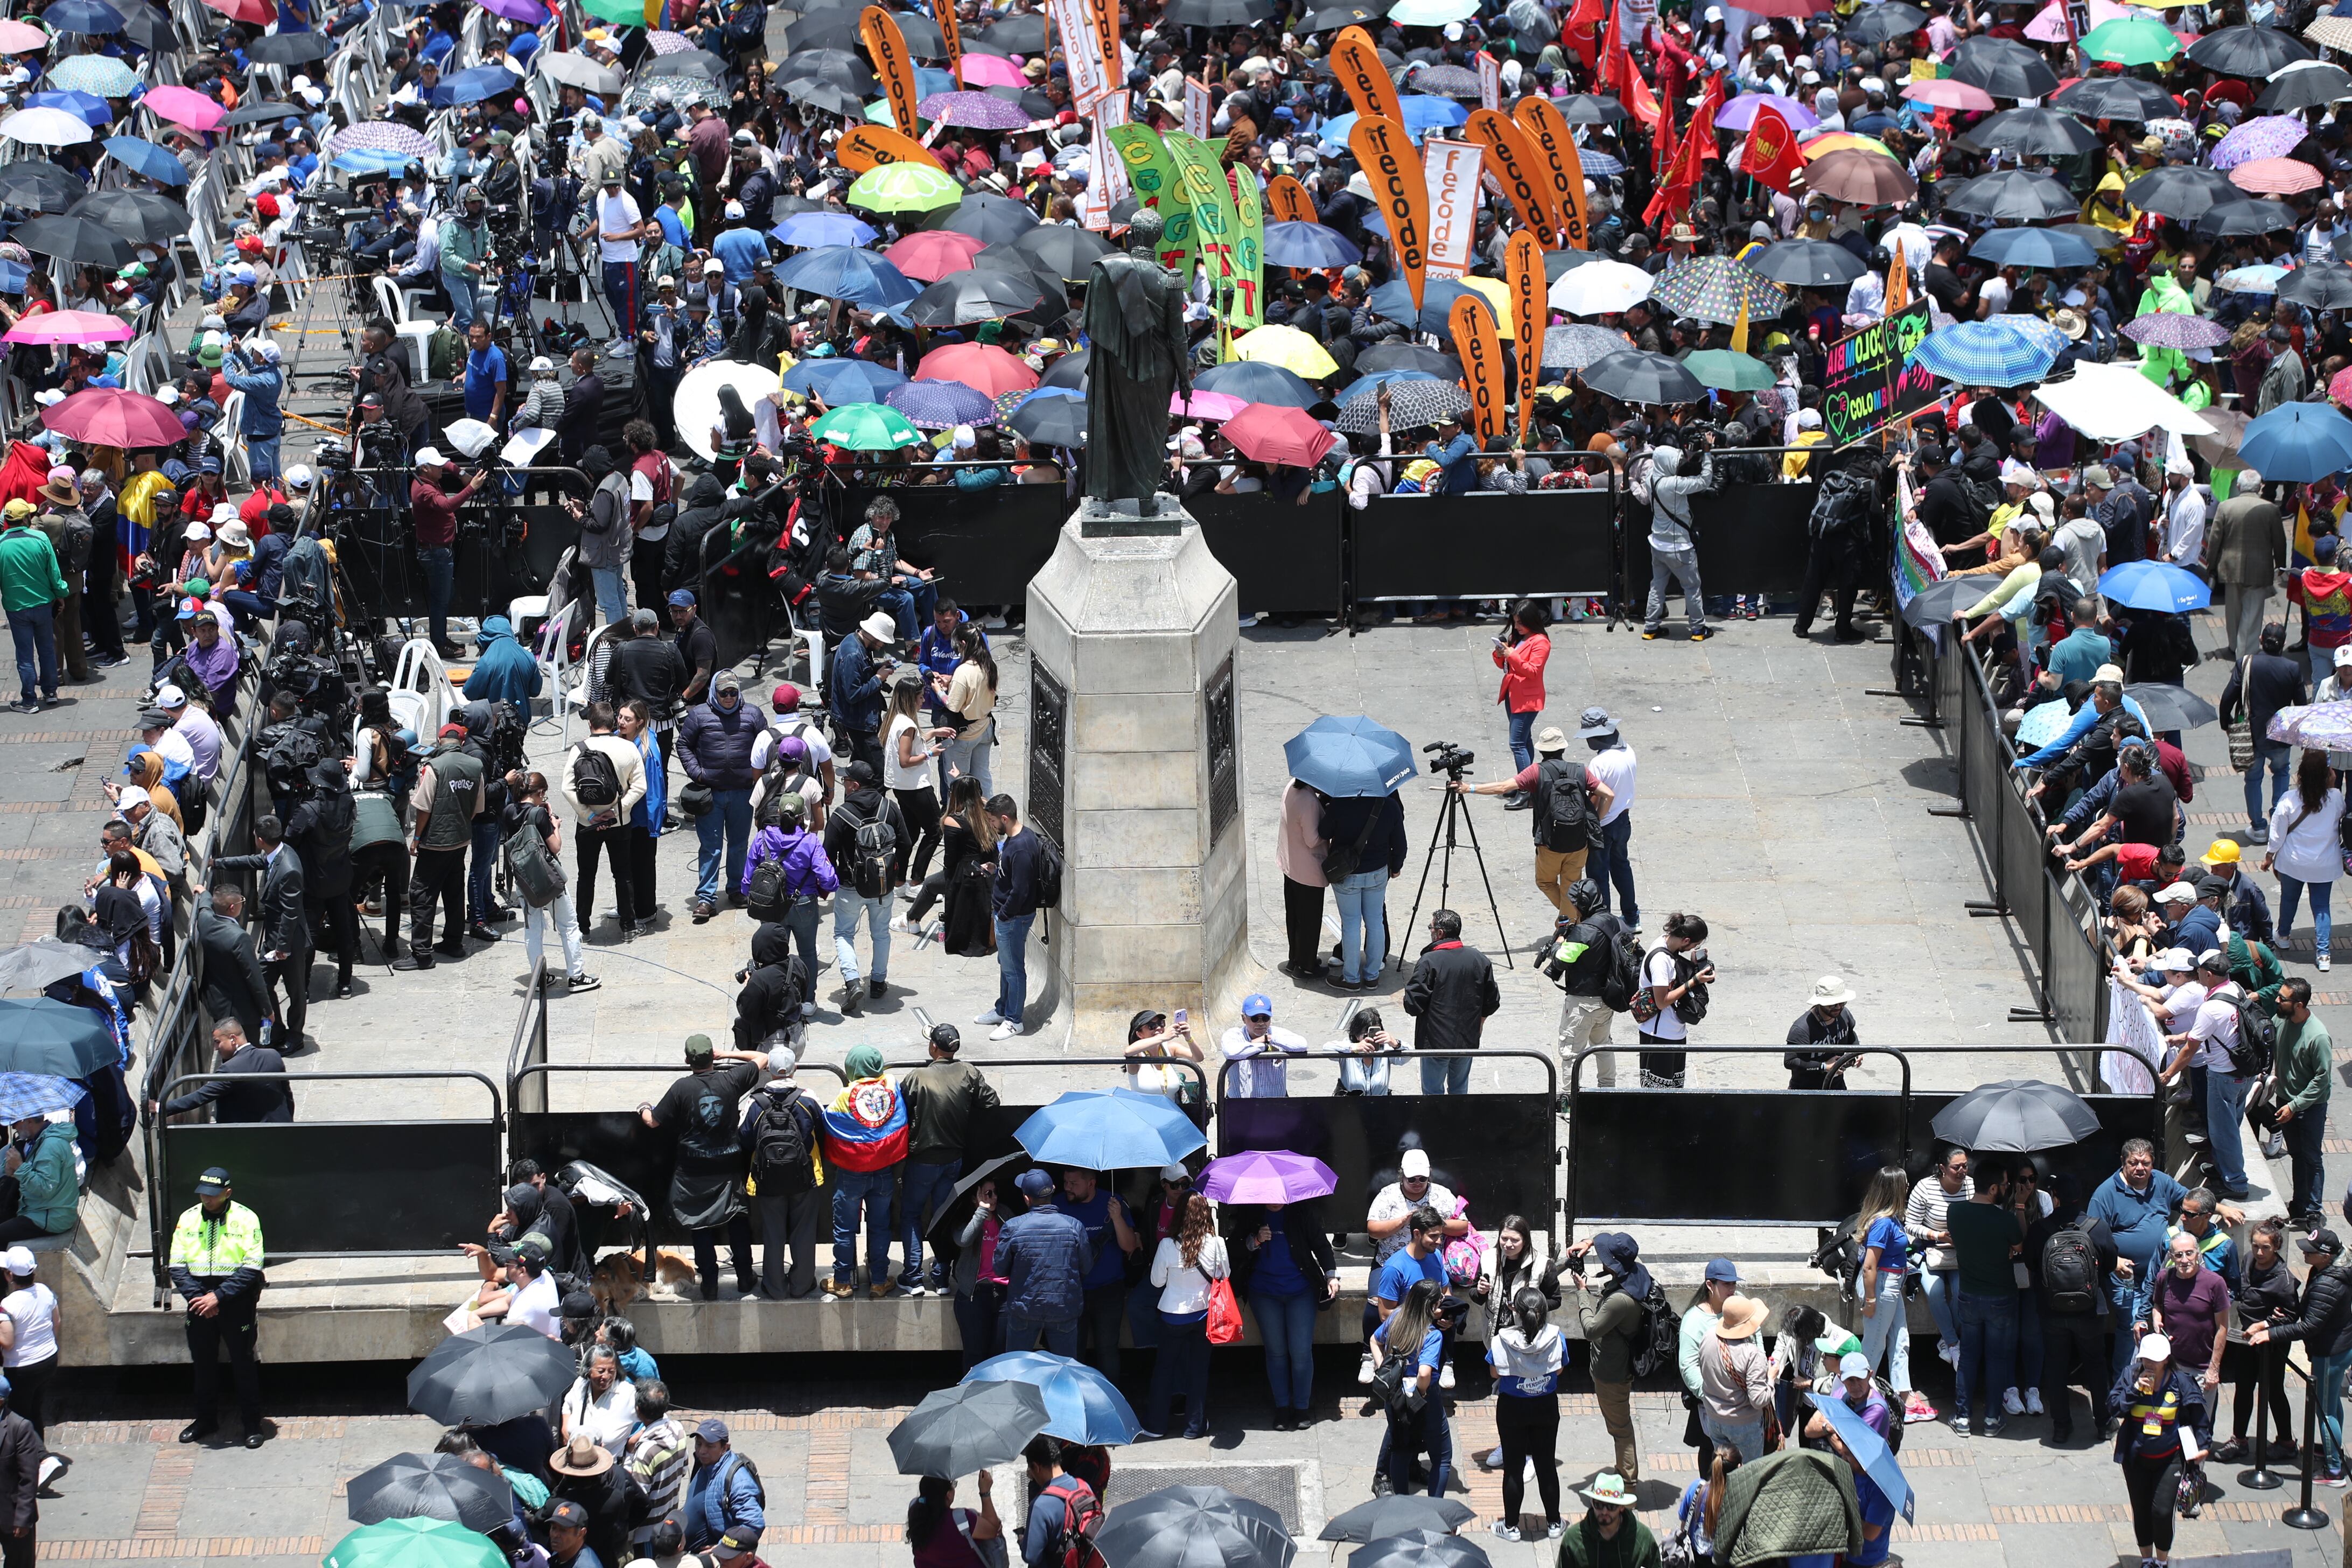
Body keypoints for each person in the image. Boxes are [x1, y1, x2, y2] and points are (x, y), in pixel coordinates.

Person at [638, 1034, 766, 1301]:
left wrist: (643, 1108)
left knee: (701, 1225)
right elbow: (762, 1058)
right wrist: (727, 1055)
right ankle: (745, 1278)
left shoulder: (681, 1089)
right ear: (712, 1058)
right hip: (728, 1168)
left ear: (687, 1061)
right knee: (737, 1220)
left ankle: (709, 1283)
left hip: (693, 1172)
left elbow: (652, 1122)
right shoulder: (731, 1079)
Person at [1454, 725, 1614, 913]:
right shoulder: (1580, 770)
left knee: (1545, 882)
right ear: (1563, 749)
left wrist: (1468, 788)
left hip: (1550, 843)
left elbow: (1502, 788)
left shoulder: (1535, 772)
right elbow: (1608, 795)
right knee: (1571, 888)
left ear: (1541, 750)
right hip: (1579, 844)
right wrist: (1595, 821)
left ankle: (1572, 921)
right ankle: (1571, 919)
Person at [166, 1166, 264, 1447]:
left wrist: (218, 1297)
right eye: (203, 1195)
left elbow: (252, 1267)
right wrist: (200, 1299)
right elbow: (177, 1265)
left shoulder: (246, 1219)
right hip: (199, 1302)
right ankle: (206, 1420)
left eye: (213, 1195)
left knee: (243, 1363)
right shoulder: (188, 1218)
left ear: (228, 1193)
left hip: (235, 1301)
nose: (206, 1200)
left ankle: (251, 1423)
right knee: (203, 1365)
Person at [897, 1024, 998, 1295]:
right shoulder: (968, 1071)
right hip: (953, 1160)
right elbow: (992, 1102)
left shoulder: (918, 1076)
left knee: (911, 1215)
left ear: (933, 1047)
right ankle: (941, 1278)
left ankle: (914, 1277)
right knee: (944, 1216)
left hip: (922, 1161)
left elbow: (901, 1108)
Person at [1228, 1191, 1336, 1431]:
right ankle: (1282, 1407)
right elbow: (1232, 1248)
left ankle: (1301, 1407)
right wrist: (1254, 1241)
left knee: (1300, 1352)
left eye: (1280, 1195)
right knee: (1276, 1352)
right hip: (1264, 1293)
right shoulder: (1252, 1213)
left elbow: (1321, 1244)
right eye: (1271, 1194)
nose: (1275, 1199)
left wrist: (1331, 1276)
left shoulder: (1301, 1211)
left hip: (1300, 1291)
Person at [2109, 1333, 2209, 1566]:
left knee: (2162, 1512)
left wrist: (2203, 1446)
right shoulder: (2130, 1376)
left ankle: (2162, 1561)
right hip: (2136, 1459)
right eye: (2146, 1359)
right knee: (2141, 1510)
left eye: (2155, 1360)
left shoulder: (2181, 1382)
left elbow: (2200, 1417)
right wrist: (2134, 1390)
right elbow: (2113, 1407)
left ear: (2166, 1359)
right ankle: (2146, 1560)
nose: (2150, 1364)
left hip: (2169, 1459)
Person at [2090, 1140, 2189, 1375]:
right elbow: (2091, 1237)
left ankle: (2160, 1380)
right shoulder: (2105, 1194)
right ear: (2123, 1163)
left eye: (2146, 1163)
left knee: (2166, 1324)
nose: (2140, 1168)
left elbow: (2190, 1201)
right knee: (2135, 1326)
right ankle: (2125, 1384)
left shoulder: (2161, 1182)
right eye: (2133, 1163)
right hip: (2127, 1279)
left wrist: (2221, 1209)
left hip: (2162, 1274)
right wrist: (2113, 1262)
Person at [819, 1044, 907, 1297]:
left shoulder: (845, 1097)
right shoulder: (891, 1086)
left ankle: (843, 1282)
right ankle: (879, 1280)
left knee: (845, 1229)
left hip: (851, 1174)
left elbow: (828, 1121)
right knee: (880, 1227)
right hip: (883, 1172)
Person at [1140, 1191, 1228, 1441]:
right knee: (1199, 1371)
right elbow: (1224, 1275)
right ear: (1206, 1215)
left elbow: (1157, 1282)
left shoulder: (1167, 1245)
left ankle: (1156, 1426)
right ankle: (1194, 1427)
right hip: (1203, 1316)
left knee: (1164, 1370)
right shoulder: (1216, 1243)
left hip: (1172, 1317)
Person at [822, 762, 908, 1018]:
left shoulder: (841, 815)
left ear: (855, 786)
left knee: (843, 934)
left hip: (850, 887)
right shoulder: (889, 808)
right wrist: (895, 873)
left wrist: (838, 876)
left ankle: (852, 981)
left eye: (846, 781)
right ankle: (879, 982)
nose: (844, 785)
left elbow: (826, 853)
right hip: (883, 886)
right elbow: (906, 843)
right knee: (881, 934)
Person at [678, 671, 764, 923]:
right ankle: (706, 898)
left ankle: (736, 889)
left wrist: (758, 778)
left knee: (739, 845)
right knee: (711, 848)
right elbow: (683, 745)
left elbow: (766, 744)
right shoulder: (699, 715)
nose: (728, 697)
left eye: (733, 692)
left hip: (743, 792)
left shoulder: (754, 714)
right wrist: (698, 773)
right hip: (711, 794)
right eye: (723, 692)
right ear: (714, 692)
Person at [1948, 1154, 2022, 1438]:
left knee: (1968, 1358)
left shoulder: (1955, 1213)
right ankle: (1992, 1419)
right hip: (2001, 1297)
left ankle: (1963, 1417)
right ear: (1994, 1189)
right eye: (2004, 1184)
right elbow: (2018, 1245)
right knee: (1996, 1358)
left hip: (1968, 1295)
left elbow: (1958, 1239)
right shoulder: (2005, 1219)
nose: (2006, 1188)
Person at [503, 771, 597, 995]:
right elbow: (554, 846)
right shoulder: (538, 814)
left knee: (533, 929)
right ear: (541, 792)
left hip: (524, 879)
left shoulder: (508, 811)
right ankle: (576, 976)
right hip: (547, 878)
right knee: (569, 926)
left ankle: (538, 977)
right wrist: (555, 824)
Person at [1568, 1231, 1648, 1488]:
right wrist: (1589, 1243)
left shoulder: (1619, 1301)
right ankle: (1625, 1474)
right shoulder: (1637, 1273)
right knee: (1620, 1424)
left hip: (1612, 1375)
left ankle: (1627, 1483)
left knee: (1620, 1428)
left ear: (1613, 1264)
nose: (1600, 1259)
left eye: (1604, 1256)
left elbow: (1591, 1331)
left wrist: (1582, 1293)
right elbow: (1605, 1238)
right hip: (1618, 1364)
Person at [2216, 1219, 2298, 1466]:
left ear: (2276, 1248)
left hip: (2271, 1342)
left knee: (2274, 1391)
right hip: (2245, 1339)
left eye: (2266, 1248)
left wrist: (2265, 1324)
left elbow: (2292, 1316)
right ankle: (2239, 1440)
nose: (2259, 1253)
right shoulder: (2248, 1260)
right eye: (2255, 1246)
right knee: (2243, 1388)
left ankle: (2286, 1442)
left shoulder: (2284, 1280)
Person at [740, 1052, 821, 1301]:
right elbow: (823, 1126)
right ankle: (801, 1285)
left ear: (769, 1071)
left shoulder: (755, 1102)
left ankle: (775, 1287)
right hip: (805, 1176)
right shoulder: (807, 1099)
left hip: (767, 1179)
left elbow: (744, 1138)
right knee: (804, 1233)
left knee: (773, 1234)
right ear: (794, 1068)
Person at [1485, 1286, 1564, 1541]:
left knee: (1514, 1468)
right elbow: (1559, 1371)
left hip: (1512, 1410)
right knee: (1546, 1465)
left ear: (1515, 1311)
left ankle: (1510, 1527)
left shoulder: (1500, 1340)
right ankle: (1554, 1523)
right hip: (1545, 1407)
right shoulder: (1556, 1337)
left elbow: (1495, 1373)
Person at [566, 702, 648, 939]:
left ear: (590, 724)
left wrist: (590, 815)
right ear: (613, 724)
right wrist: (617, 811)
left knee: (586, 876)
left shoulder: (579, 749)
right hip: (619, 823)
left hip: (587, 825)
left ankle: (583, 928)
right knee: (623, 875)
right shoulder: (628, 748)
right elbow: (640, 786)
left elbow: (566, 788)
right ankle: (628, 926)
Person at [2217, 622, 2305, 843]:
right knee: (2282, 773)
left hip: (2251, 734)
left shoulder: (2246, 663)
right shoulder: (2293, 668)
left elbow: (2228, 697)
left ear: (2260, 640)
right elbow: (2301, 705)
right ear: (2284, 644)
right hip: (2281, 736)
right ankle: (2279, 819)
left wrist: (2226, 723)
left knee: (2253, 779)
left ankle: (2258, 828)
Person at [1317, 782, 1407, 989]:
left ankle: (1351, 978)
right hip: (1377, 873)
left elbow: (1323, 832)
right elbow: (1400, 843)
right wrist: (1396, 867)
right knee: (1375, 922)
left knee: (1351, 925)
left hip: (1347, 874)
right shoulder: (1390, 806)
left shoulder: (1340, 804)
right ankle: (1373, 975)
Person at [2262, 746, 2345, 970]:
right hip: (2325, 864)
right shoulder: (2336, 798)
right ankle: (2324, 954)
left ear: (2300, 775)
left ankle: (2284, 936)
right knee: (2321, 906)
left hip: (2293, 862)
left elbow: (2277, 834)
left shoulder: (2289, 799)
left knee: (2289, 900)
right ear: (2327, 775)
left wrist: (2269, 856)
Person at [1401, 911, 1501, 1094]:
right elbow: (1492, 1000)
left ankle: (1437, 1123)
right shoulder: (1479, 959)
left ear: (1439, 933)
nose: (1430, 932)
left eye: (1431, 928)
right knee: (1460, 1092)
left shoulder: (1428, 961)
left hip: (1435, 1043)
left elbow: (1413, 1005)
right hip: (1467, 1040)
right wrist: (1480, 1022)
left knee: (1432, 1093)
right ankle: (1458, 1123)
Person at [1370, 1279, 1451, 1499]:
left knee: (1400, 1449)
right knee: (1442, 1457)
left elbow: (1374, 1341)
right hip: (1423, 1398)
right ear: (1431, 1307)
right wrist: (1421, 1394)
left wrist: (1383, 1369)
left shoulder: (1396, 1317)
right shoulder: (1432, 1335)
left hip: (1395, 1396)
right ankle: (1435, 1509)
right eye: (1440, 1300)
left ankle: (1402, 1503)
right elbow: (1424, 1373)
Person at [996, 1168, 1089, 1355]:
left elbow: (999, 1269)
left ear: (1027, 1199)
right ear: (1053, 1190)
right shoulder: (1075, 1226)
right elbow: (1086, 1267)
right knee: (1065, 1371)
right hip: (1064, 1308)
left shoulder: (1013, 1227)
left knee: (1017, 1370)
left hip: (1025, 1309)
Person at [408, 448, 488, 658]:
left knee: (444, 596)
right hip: (435, 554)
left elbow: (449, 466)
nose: (442, 469)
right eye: (437, 466)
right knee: (440, 601)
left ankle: (441, 638)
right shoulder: (424, 490)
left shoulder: (427, 479)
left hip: (439, 551)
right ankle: (440, 642)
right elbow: (447, 505)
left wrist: (459, 472)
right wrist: (471, 487)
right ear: (425, 468)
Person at [981, 795, 1043, 1040]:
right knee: (1006, 966)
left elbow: (1021, 891)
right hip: (1006, 916)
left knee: (1014, 969)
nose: (991, 825)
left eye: (993, 820)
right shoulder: (1012, 841)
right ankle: (1003, 1009)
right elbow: (1013, 878)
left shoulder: (1022, 847)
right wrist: (996, 870)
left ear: (1005, 819)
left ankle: (1014, 1020)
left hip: (1013, 918)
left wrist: (1004, 915)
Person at [149, 1020, 290, 1124]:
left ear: (233, 1039)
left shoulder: (230, 1070)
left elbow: (200, 1097)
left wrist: (159, 1106)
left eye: (217, 1042)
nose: (216, 1048)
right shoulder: (273, 1055)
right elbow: (287, 1096)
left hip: (248, 1137)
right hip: (281, 1126)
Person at [2273, 977, 2332, 1222]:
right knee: (2297, 1155)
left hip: (2309, 1108)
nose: (2277, 1001)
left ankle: (2313, 1211)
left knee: (2311, 1157)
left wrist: (2295, 1106)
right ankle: (2299, 1204)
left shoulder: (2317, 1037)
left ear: (2298, 1005)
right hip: (2285, 1101)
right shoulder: (2281, 1021)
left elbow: (2322, 1080)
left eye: (2282, 998)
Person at [0, 500, 66, 713]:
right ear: (27, 518)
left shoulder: (1, 545)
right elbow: (54, 574)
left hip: (16, 608)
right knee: (46, 649)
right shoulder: (41, 538)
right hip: (43, 605)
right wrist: (61, 594)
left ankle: (29, 700)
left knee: (25, 654)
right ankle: (50, 692)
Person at [1637, 912, 1712, 1088]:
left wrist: (1695, 965)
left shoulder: (1669, 945)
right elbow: (1662, 1001)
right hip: (1659, 1036)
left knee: (1675, 1094)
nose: (1694, 948)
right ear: (1686, 940)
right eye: (1695, 945)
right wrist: (1694, 982)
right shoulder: (1660, 961)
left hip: (1675, 1033)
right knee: (1657, 1098)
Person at [681, 1419, 764, 1558]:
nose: (702, 1451)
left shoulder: (738, 1482)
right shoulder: (705, 1463)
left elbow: (754, 1525)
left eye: (710, 1446)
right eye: (699, 1444)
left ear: (725, 1447)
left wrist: (723, 1547)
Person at [1492, 600, 1552, 782]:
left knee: (1517, 743)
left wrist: (1512, 655)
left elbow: (1533, 671)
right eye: (1515, 622)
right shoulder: (1517, 638)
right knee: (1525, 740)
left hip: (1528, 700)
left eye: (1520, 623)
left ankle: (1526, 787)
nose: (1517, 627)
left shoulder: (1541, 642)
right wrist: (1500, 654)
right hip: (1513, 695)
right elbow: (1506, 666)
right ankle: (1528, 782)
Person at [1276, 778, 1329, 981]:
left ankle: (1295, 959)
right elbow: (1313, 839)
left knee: (1295, 916)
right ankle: (1306, 966)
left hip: (1291, 865)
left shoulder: (1291, 787)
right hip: (1308, 871)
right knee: (1310, 921)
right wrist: (1329, 826)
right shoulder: (1309, 801)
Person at [1018, 1440, 1096, 1568]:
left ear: (1036, 1468)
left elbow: (1031, 1556)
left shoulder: (1040, 1506)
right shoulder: (1083, 1486)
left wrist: (1023, 1541)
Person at [1557, 1473, 1658, 1568]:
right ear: (1592, 1503)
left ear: (1622, 1507)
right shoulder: (1573, 1539)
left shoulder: (1642, 1538)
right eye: (1599, 1505)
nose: (1604, 1512)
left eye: (1611, 1506)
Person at [1220, 992, 1310, 1097]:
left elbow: (1302, 1045)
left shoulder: (1276, 1034)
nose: (1261, 1023)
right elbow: (1231, 1052)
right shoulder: (1235, 1035)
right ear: (1244, 1018)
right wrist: (1266, 1046)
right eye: (1255, 1018)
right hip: (1241, 1106)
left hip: (1276, 1105)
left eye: (1265, 1018)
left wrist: (1269, 1039)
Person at [905, 1473, 1003, 1568]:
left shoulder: (915, 1510)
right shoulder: (962, 1521)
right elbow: (993, 1529)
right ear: (949, 1495)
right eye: (953, 1485)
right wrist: (985, 1493)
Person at [559, 1344, 639, 1455]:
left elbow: (656, 1418)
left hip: (610, 1469)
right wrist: (565, 1428)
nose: (606, 1376)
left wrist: (633, 1443)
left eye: (611, 1371)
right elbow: (567, 1405)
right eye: (601, 1371)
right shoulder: (581, 1384)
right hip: (575, 1467)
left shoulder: (628, 1394)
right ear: (588, 1370)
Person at [1783, 976, 1860, 1089]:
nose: (1838, 1007)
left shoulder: (1844, 1015)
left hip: (1837, 1086)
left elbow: (1850, 1035)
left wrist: (1857, 1051)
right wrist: (1824, 1066)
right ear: (1821, 1003)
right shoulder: (1802, 1028)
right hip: (1807, 1091)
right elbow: (1790, 1061)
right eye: (1833, 1004)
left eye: (1842, 1003)